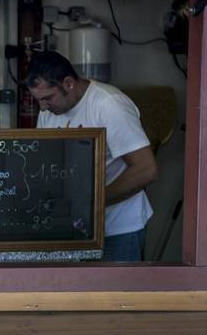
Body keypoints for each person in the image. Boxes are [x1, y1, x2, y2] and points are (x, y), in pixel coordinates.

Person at [26, 51, 158, 261]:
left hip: (118, 229)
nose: (42, 107)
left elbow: (146, 170)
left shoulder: (109, 104)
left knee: (114, 285)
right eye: (38, 100)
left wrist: (91, 202)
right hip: (72, 228)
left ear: (68, 83)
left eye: (48, 98)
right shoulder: (48, 112)